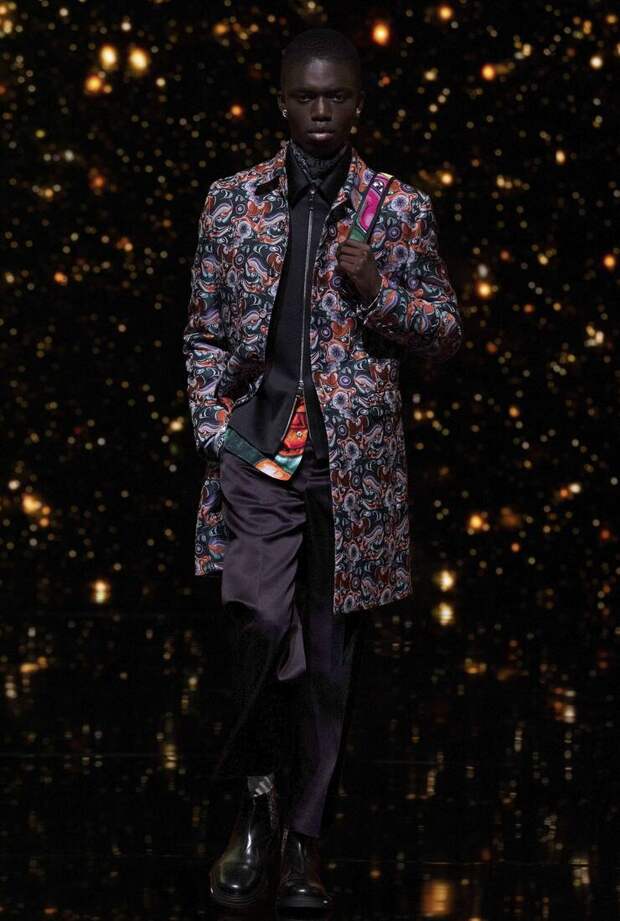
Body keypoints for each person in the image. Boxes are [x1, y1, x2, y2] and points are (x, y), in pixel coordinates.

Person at [182, 27, 463, 912]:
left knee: (330, 661)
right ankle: (257, 804)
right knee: (259, 626)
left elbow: (445, 332)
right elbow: (203, 332)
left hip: (353, 466)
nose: (320, 111)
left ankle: (302, 839)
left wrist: (378, 289)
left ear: (358, 104)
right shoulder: (233, 202)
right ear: (281, 103)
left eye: (336, 96)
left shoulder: (396, 207)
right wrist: (216, 430)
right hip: (256, 457)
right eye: (305, 96)